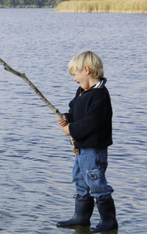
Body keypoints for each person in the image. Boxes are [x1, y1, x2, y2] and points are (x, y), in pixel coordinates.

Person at [56, 51, 118, 232]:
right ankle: (81, 218)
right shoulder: (82, 91)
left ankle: (109, 221)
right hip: (81, 147)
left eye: (75, 74)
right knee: (80, 180)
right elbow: (75, 111)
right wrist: (68, 118)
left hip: (94, 148)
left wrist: (72, 130)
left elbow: (92, 122)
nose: (74, 79)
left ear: (87, 70)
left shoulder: (100, 95)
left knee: (96, 182)